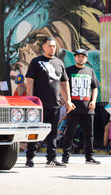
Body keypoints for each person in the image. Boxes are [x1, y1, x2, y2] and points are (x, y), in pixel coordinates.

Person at [25, 37, 75, 167]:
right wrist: (31, 98)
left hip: (55, 104)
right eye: (50, 46)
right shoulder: (36, 61)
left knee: (53, 133)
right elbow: (29, 80)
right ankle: (30, 158)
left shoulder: (59, 63)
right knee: (34, 131)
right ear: (44, 47)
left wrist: (68, 100)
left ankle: (51, 159)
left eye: (54, 46)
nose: (52, 48)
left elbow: (64, 83)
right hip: (38, 105)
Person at [62, 49, 100, 165]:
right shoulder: (68, 70)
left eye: (83, 56)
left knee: (89, 134)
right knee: (69, 133)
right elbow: (62, 86)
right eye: (78, 56)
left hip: (88, 109)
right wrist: (67, 101)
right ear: (75, 58)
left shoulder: (90, 71)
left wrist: (93, 101)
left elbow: (95, 87)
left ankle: (89, 157)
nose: (80, 58)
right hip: (73, 108)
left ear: (86, 58)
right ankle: (65, 157)